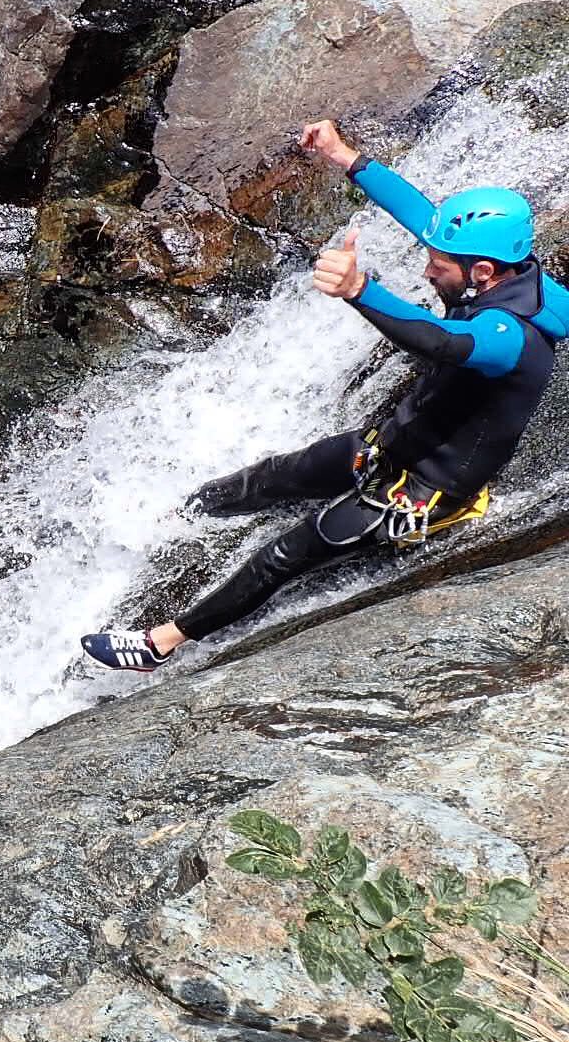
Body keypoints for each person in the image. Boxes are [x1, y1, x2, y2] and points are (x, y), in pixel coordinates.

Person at [81, 117, 569, 673]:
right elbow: (422, 215)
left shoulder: (508, 336)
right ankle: (179, 514)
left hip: (421, 491)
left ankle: (158, 645)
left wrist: (360, 290)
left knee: (284, 555)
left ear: (481, 271)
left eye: (437, 264)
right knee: (273, 476)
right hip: (392, 442)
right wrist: (346, 157)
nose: (427, 269)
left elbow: (442, 342)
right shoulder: (506, 270)